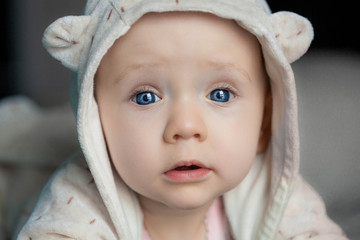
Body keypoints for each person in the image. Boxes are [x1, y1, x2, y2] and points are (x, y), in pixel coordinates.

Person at [17, 0, 347, 239]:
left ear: (264, 124)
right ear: (95, 124)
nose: (186, 127)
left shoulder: (279, 198)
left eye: (221, 94)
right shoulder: (73, 210)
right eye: (145, 97)